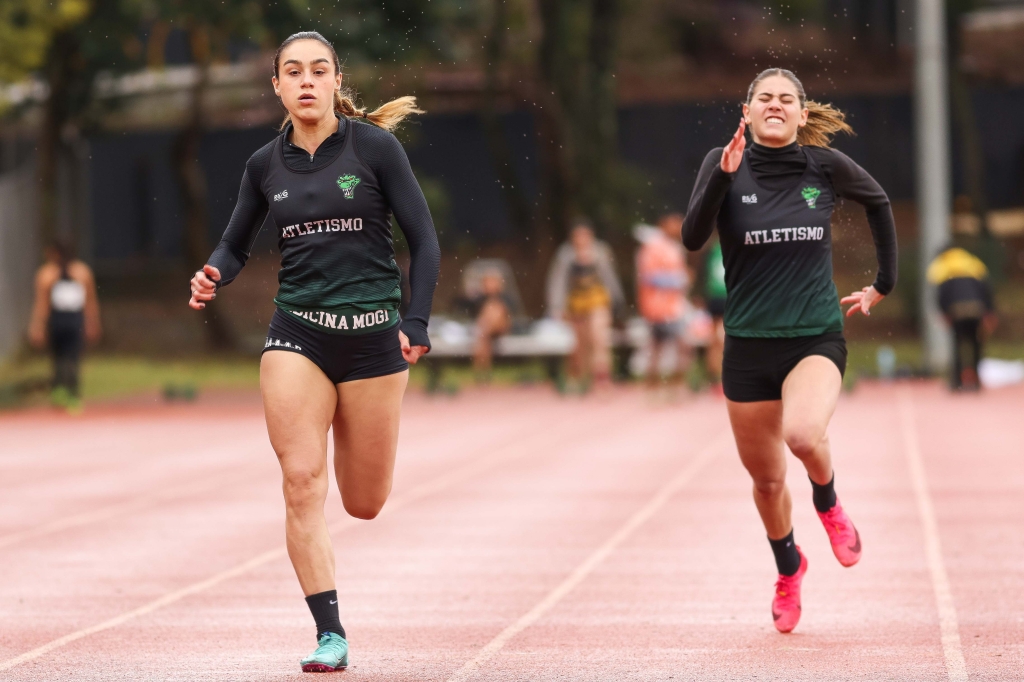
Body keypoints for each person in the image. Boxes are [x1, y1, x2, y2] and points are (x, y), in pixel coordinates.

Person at [188, 31, 439, 672]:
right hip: (297, 334)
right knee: (302, 483)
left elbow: (425, 241)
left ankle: (340, 589)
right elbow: (235, 243)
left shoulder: (376, 149)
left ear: (335, 82)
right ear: (277, 85)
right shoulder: (262, 165)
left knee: (364, 502)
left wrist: (415, 320)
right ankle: (330, 633)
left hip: (375, 339)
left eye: (318, 70)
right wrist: (213, 272)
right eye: (293, 72)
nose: (306, 81)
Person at [682, 68, 897, 633]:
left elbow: (879, 202)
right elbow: (692, 236)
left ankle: (828, 503)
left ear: (803, 115)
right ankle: (789, 568)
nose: (774, 105)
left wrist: (884, 283)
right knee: (768, 480)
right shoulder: (722, 162)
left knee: (803, 435)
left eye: (786, 100)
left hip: (814, 337)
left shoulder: (823, 168)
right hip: (748, 345)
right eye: (764, 98)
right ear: (747, 112)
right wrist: (722, 179)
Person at [546, 220, 626, 392]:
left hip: (598, 301)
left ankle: (603, 379)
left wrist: (618, 302)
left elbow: (610, 277)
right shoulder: (565, 255)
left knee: (600, 338)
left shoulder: (600, 252)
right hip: (576, 304)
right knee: (581, 344)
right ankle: (584, 379)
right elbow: (558, 282)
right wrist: (556, 307)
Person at [28, 238, 101, 410]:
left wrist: (92, 322)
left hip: (70, 319)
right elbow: (43, 304)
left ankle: (70, 392)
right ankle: (61, 391)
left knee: (69, 357)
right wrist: (38, 326)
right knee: (62, 357)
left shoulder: (76, 272)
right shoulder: (51, 274)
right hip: (61, 319)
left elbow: (89, 301)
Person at [635, 213, 693, 393]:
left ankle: (673, 385)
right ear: (663, 226)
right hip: (657, 307)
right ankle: (657, 385)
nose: (677, 228)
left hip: (674, 307)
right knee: (662, 347)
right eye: (673, 224)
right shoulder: (653, 247)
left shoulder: (675, 248)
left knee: (671, 346)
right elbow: (648, 277)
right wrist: (678, 280)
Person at [927, 245, 997, 391]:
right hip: (976, 308)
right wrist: (990, 311)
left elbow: (942, 292)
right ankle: (976, 381)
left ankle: (957, 382)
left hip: (957, 310)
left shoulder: (943, 266)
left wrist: (944, 311)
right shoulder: (971, 263)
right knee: (976, 344)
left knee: (958, 345)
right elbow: (986, 288)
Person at [469, 269, 514, 380]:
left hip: (500, 329)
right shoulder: (479, 300)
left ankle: (481, 373)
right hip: (485, 332)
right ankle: (484, 374)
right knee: (484, 338)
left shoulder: (505, 298)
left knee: (494, 309)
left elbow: (508, 318)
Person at [703, 236, 727, 393]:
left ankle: (715, 378)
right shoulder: (732, 246)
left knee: (714, 339)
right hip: (726, 296)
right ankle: (719, 378)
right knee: (722, 338)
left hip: (715, 297)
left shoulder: (712, 250)